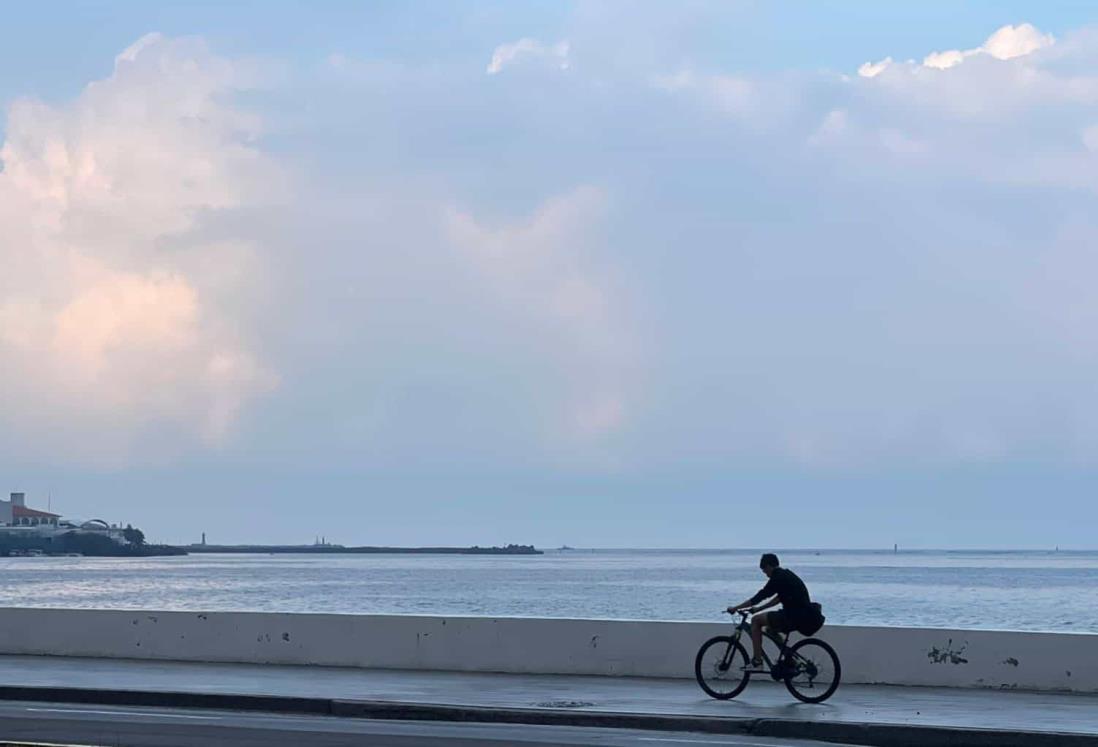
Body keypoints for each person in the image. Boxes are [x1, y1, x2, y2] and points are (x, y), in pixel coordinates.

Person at [727, 553, 822, 669]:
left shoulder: (777, 577)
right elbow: (778, 598)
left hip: (792, 616)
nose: (766, 575)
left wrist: (735, 608)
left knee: (756, 621)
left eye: (764, 571)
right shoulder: (786, 575)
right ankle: (791, 660)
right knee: (770, 630)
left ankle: (757, 661)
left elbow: (760, 596)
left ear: (768, 566)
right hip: (801, 615)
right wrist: (759, 609)